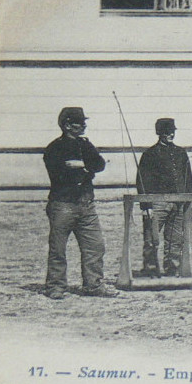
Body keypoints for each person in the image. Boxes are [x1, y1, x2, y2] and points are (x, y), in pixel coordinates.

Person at [42, 107, 117, 299]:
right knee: (58, 248)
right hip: (63, 205)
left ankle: (93, 285)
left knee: (95, 246)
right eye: (79, 123)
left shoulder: (85, 144)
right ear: (67, 125)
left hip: (86, 205)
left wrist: (82, 166)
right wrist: (86, 169)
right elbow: (61, 174)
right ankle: (56, 286)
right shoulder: (54, 148)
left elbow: (99, 164)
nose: (84, 126)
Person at [136, 117, 192, 278]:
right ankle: (150, 269)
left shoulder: (181, 153)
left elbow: (187, 177)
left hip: (179, 203)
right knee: (152, 239)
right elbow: (141, 181)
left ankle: (172, 269)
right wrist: (145, 206)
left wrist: (191, 200)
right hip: (156, 203)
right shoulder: (149, 154)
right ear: (159, 133)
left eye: (172, 131)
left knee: (175, 239)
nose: (170, 135)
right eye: (166, 132)